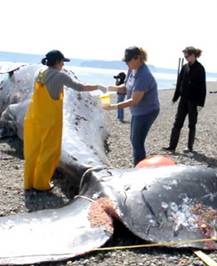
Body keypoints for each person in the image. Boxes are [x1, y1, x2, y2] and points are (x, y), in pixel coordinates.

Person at [23, 50, 107, 192]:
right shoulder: (60, 76)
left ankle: (29, 183)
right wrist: (98, 86)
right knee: (49, 151)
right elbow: (80, 87)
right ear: (57, 62)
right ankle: (41, 184)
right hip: (50, 121)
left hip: (34, 118)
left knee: (33, 151)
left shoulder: (40, 74)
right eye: (62, 61)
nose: (63, 64)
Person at [104, 46, 160, 166]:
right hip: (137, 111)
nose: (126, 63)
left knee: (137, 142)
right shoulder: (132, 69)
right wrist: (108, 88)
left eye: (128, 60)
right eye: (125, 61)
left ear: (138, 58)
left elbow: (134, 101)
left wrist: (112, 106)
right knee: (134, 139)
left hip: (147, 111)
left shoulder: (144, 75)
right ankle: (140, 166)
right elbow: (126, 86)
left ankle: (139, 170)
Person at [163, 46, 206, 153]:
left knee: (192, 124)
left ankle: (189, 147)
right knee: (177, 122)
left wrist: (201, 104)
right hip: (183, 100)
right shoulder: (184, 67)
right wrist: (175, 97)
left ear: (193, 55)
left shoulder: (200, 68)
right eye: (184, 55)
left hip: (194, 101)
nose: (186, 57)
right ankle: (172, 146)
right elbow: (179, 83)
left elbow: (203, 87)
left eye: (187, 55)